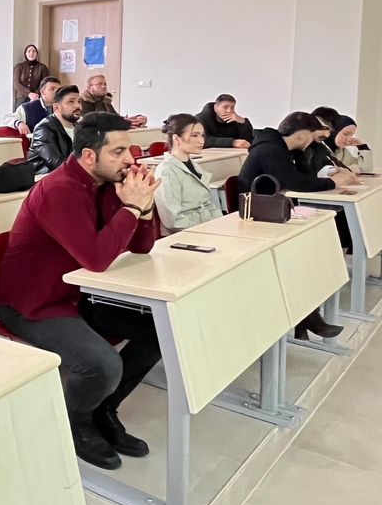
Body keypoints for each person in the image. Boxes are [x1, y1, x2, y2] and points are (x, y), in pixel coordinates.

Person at [0, 112, 162, 470]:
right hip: (36, 303)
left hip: (81, 295)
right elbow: (97, 258)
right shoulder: (59, 190)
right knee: (102, 366)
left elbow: (142, 247)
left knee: (159, 332)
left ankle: (102, 408)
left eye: (129, 150)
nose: (130, 160)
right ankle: (76, 421)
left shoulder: (108, 183)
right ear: (89, 155)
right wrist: (132, 206)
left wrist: (145, 206)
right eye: (118, 152)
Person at [239, 112, 355, 341]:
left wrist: (328, 174)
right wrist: (331, 183)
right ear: (302, 135)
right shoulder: (270, 149)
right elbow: (291, 182)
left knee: (309, 256)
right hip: (256, 218)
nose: (313, 142)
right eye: (312, 137)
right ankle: (308, 319)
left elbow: (303, 176)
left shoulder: (284, 149)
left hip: (273, 213)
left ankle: (307, 319)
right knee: (298, 259)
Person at [152, 114, 222, 236]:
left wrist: (220, 222)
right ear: (177, 139)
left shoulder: (194, 166)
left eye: (202, 135)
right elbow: (173, 222)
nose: (201, 140)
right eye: (194, 135)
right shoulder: (167, 171)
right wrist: (208, 225)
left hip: (203, 229)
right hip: (184, 235)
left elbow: (207, 203)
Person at [28, 85, 82, 174]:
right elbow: (56, 163)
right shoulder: (44, 129)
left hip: (73, 177)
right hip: (46, 178)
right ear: (57, 107)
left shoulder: (81, 128)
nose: (78, 106)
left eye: (79, 101)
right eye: (71, 101)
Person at [80, 75, 146, 128]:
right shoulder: (83, 102)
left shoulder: (105, 101)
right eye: (99, 84)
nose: (103, 86)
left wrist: (136, 119)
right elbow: (91, 123)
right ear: (89, 88)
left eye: (105, 84)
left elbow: (115, 117)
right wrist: (120, 123)